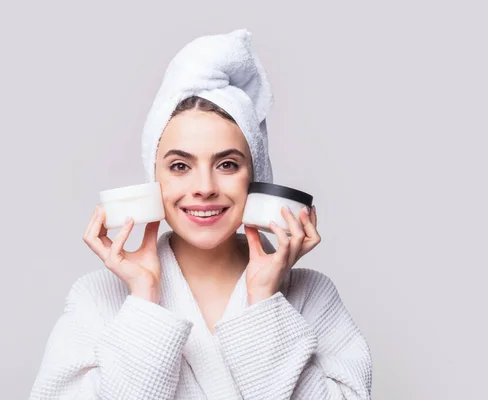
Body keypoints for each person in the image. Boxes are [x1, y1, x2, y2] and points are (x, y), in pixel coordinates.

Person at [30, 29, 372, 400]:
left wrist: (263, 300)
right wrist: (144, 300)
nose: (205, 186)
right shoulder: (98, 297)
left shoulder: (312, 295)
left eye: (227, 164)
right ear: (154, 179)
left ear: (254, 177)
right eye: (180, 166)